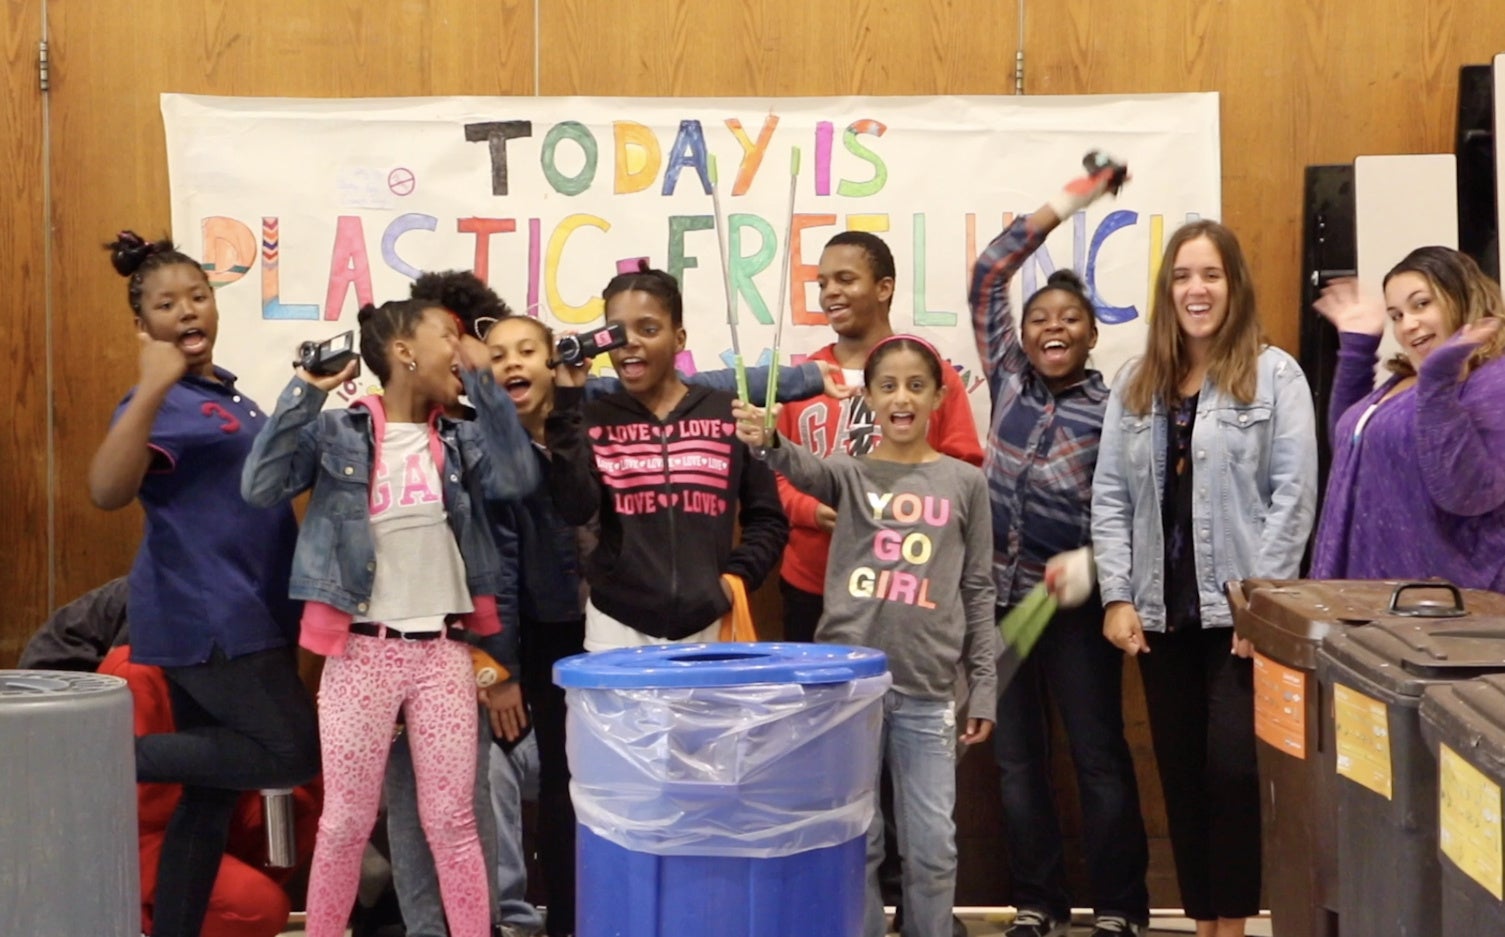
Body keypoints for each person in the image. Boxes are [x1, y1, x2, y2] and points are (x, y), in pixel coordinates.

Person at [241, 297, 539, 937]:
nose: (459, 351)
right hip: (361, 654)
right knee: (345, 823)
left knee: (453, 823)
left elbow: (517, 476)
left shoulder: (458, 441)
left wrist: (484, 380)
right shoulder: (337, 432)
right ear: (405, 352)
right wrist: (305, 390)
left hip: (442, 654)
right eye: (447, 337)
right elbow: (260, 487)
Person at [86, 232, 321, 937]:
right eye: (166, 303)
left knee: (209, 794)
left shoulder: (227, 396)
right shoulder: (159, 401)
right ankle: (95, 751)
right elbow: (105, 490)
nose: (187, 311)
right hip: (212, 615)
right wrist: (152, 384)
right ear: (142, 325)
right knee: (292, 751)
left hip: (250, 607)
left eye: (197, 296)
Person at [1091, 220, 1318, 937]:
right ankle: (1202, 924)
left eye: (1210, 274)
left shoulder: (1273, 372)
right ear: (1167, 291)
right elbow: (1110, 497)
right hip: (1161, 616)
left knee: (1233, 776)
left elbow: (1294, 495)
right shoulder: (1135, 382)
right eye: (1183, 276)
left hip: (1237, 620)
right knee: (1183, 779)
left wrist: (1260, 609)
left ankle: (1235, 924)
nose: (1196, 289)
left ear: (1234, 285)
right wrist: (1118, 593)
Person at [734, 334, 997, 937]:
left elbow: (978, 590)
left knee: (933, 850)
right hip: (851, 694)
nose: (901, 397)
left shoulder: (965, 483)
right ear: (868, 400)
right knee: (860, 843)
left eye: (915, 385)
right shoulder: (849, 473)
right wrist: (769, 436)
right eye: (887, 386)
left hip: (930, 693)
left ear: (938, 397)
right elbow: (796, 463)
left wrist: (982, 685)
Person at [969, 165, 1149, 937]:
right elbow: (986, 276)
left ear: (1091, 334)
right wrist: (1073, 198)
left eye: (1069, 318)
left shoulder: (1116, 408)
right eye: (1040, 315)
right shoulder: (1005, 377)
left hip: (1073, 605)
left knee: (1097, 755)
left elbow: (1132, 517)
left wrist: (1095, 574)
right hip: (1002, 604)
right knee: (1014, 764)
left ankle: (1119, 907)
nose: (1051, 327)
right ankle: (1036, 903)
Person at [20, 580, 322, 937]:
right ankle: (140, 914)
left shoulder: (241, 629)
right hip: (117, 817)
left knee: (303, 800)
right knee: (257, 908)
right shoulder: (135, 660)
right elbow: (134, 798)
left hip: (174, 752)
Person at [547, 264, 789, 651]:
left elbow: (769, 519)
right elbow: (574, 509)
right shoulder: (592, 418)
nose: (631, 343)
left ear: (678, 339)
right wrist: (566, 404)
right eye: (618, 332)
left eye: (648, 329)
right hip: (616, 628)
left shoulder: (728, 413)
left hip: (708, 625)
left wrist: (736, 581)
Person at [773, 230, 983, 644]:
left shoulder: (929, 374)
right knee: (822, 707)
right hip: (813, 585)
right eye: (822, 283)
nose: (831, 292)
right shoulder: (801, 380)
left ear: (884, 288)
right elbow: (777, 476)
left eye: (846, 279)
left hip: (907, 587)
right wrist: (813, 511)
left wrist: (906, 512)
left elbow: (963, 469)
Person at [1310, 248, 1505, 588]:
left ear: (1461, 296)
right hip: (1365, 593)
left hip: (1443, 612)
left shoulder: (1492, 377)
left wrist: (1439, 375)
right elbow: (1350, 447)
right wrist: (1357, 348)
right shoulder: (1406, 380)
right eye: (1396, 315)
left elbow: (1469, 492)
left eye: (1421, 304)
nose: (1407, 325)